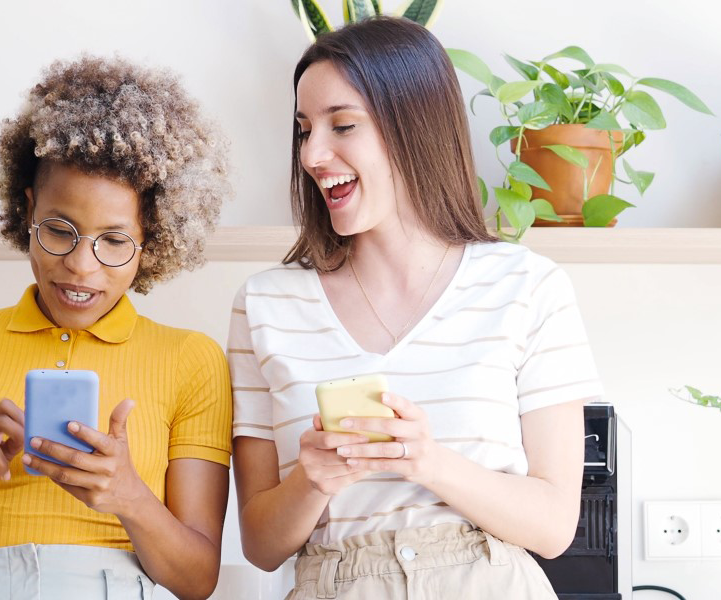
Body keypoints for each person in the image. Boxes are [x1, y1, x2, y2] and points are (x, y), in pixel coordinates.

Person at [229, 17, 603, 599]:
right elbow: (260, 544)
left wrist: (425, 460)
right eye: (304, 130)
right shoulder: (266, 304)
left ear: (414, 127)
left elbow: (554, 526)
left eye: (342, 125)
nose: (313, 154)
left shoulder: (526, 285)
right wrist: (312, 481)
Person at [0, 55, 233, 600]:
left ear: (150, 238)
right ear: (28, 209)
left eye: (113, 241)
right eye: (60, 230)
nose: (82, 266)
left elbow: (198, 579)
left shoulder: (191, 359)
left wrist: (129, 495)